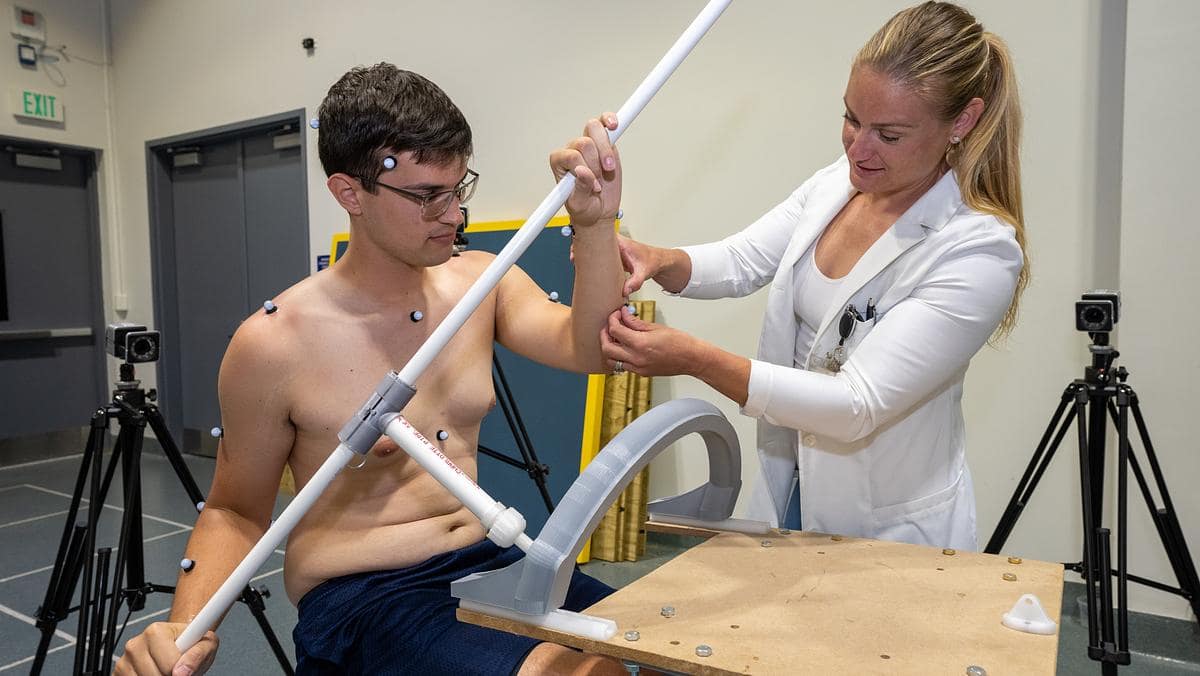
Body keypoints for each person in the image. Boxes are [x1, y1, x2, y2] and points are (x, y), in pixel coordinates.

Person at [115, 64, 633, 675]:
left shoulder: (479, 283)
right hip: (367, 594)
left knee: (665, 651)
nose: (452, 213)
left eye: (457, 185)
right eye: (425, 196)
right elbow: (234, 510)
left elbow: (593, 348)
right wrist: (183, 629)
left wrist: (595, 223)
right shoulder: (275, 342)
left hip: (494, 558)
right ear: (349, 193)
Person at [600, 1, 1027, 551]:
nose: (859, 147)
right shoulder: (838, 184)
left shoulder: (978, 251)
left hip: (887, 526)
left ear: (962, 122)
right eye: (851, 118)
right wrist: (658, 259)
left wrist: (692, 358)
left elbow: (855, 405)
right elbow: (744, 260)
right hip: (792, 484)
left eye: (889, 135)